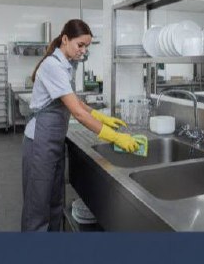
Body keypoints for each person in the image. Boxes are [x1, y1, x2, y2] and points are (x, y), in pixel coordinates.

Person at [21, 19, 138, 232]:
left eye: (86, 46)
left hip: (53, 141)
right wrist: (114, 136)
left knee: (55, 200)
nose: (83, 51)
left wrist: (102, 117)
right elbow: (76, 112)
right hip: (39, 142)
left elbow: (75, 101)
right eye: (80, 45)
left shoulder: (66, 65)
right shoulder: (52, 66)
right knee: (38, 206)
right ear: (65, 39)